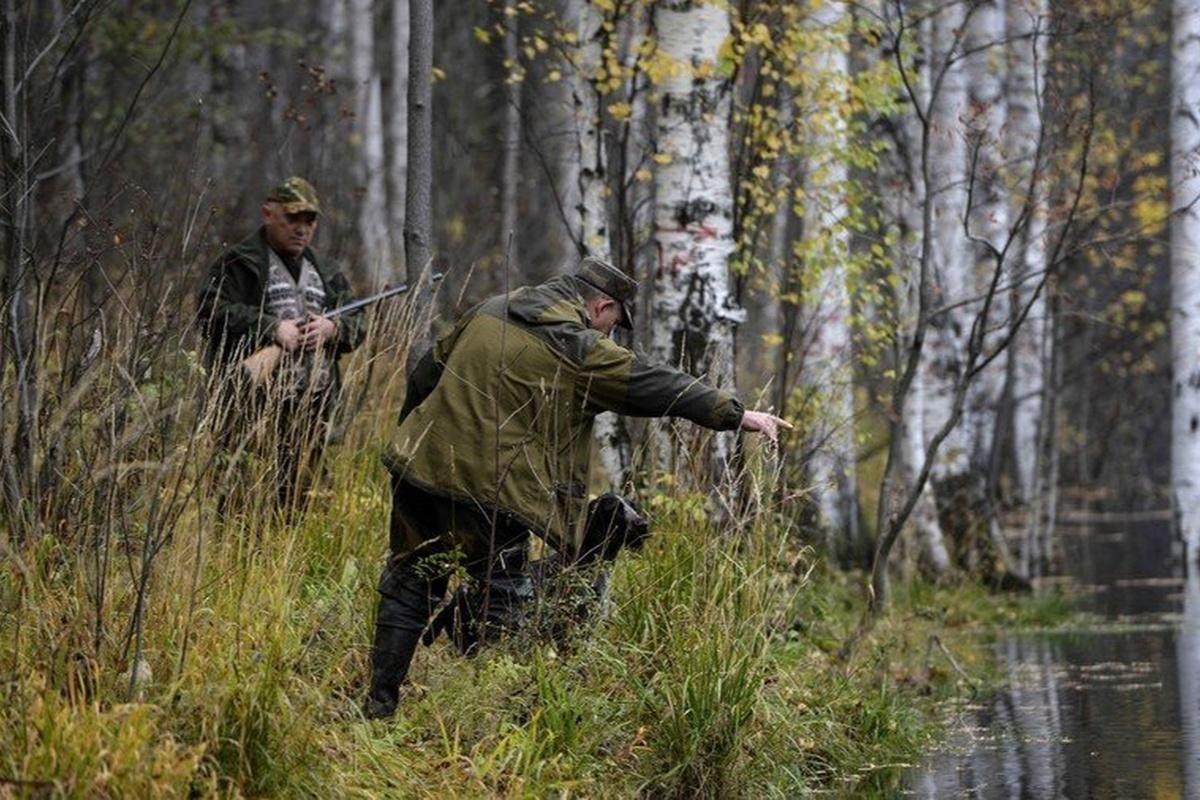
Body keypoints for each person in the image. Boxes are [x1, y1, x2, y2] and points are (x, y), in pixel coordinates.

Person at [366, 256, 790, 719]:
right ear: (602, 306)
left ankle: (379, 707)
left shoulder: (492, 309)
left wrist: (411, 443)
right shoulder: (579, 347)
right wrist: (735, 414)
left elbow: (425, 375)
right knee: (502, 603)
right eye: (615, 324)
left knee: (409, 583)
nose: (611, 335)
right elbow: (653, 382)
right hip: (494, 491)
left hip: (419, 469)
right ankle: (493, 726)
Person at [198, 177, 366, 509]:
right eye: (292, 218)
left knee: (308, 507)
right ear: (268, 214)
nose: (301, 228)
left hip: (313, 411)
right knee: (242, 504)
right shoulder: (238, 263)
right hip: (251, 411)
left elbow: (359, 321)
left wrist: (332, 328)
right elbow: (211, 313)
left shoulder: (327, 270)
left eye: (309, 220)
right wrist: (271, 329)